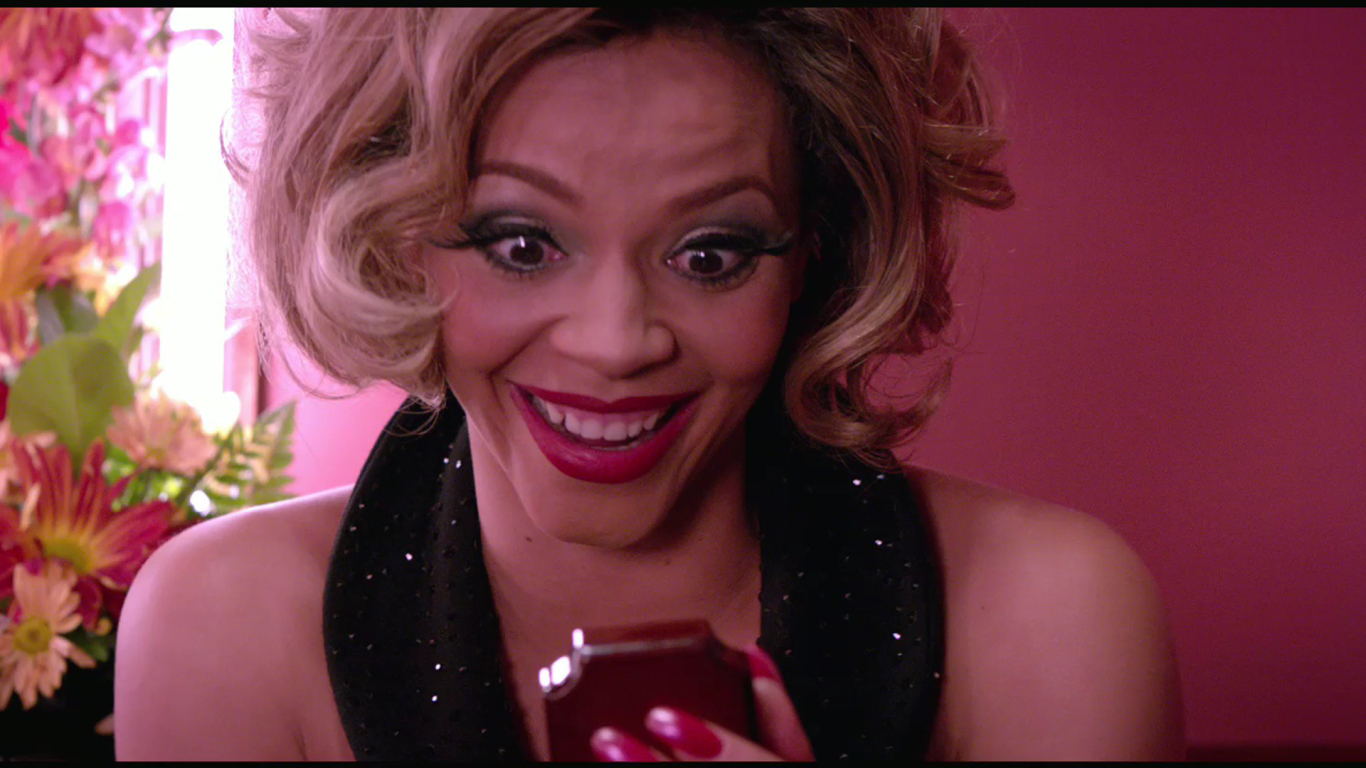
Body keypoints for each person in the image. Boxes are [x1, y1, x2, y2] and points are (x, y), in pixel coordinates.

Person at [113, 8, 1184, 761]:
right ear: (395, 239)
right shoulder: (226, 628)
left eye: (709, 254)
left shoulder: (1048, 618)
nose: (616, 342)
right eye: (522, 245)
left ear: (816, 252)